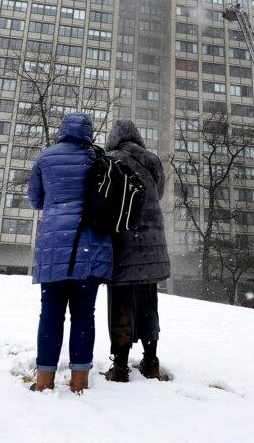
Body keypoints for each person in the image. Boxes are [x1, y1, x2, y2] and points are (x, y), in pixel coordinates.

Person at [28, 112, 113, 393]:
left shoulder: (45, 158)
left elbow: (35, 200)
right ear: (88, 132)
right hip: (91, 246)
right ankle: (79, 382)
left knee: (51, 313)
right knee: (84, 314)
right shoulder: (97, 158)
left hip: (55, 245)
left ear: (63, 130)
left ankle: (44, 381)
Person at [101, 120, 170, 383]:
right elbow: (159, 194)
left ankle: (120, 366)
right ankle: (151, 361)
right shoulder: (152, 160)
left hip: (123, 242)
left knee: (120, 302)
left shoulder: (110, 159)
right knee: (148, 301)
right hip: (152, 244)